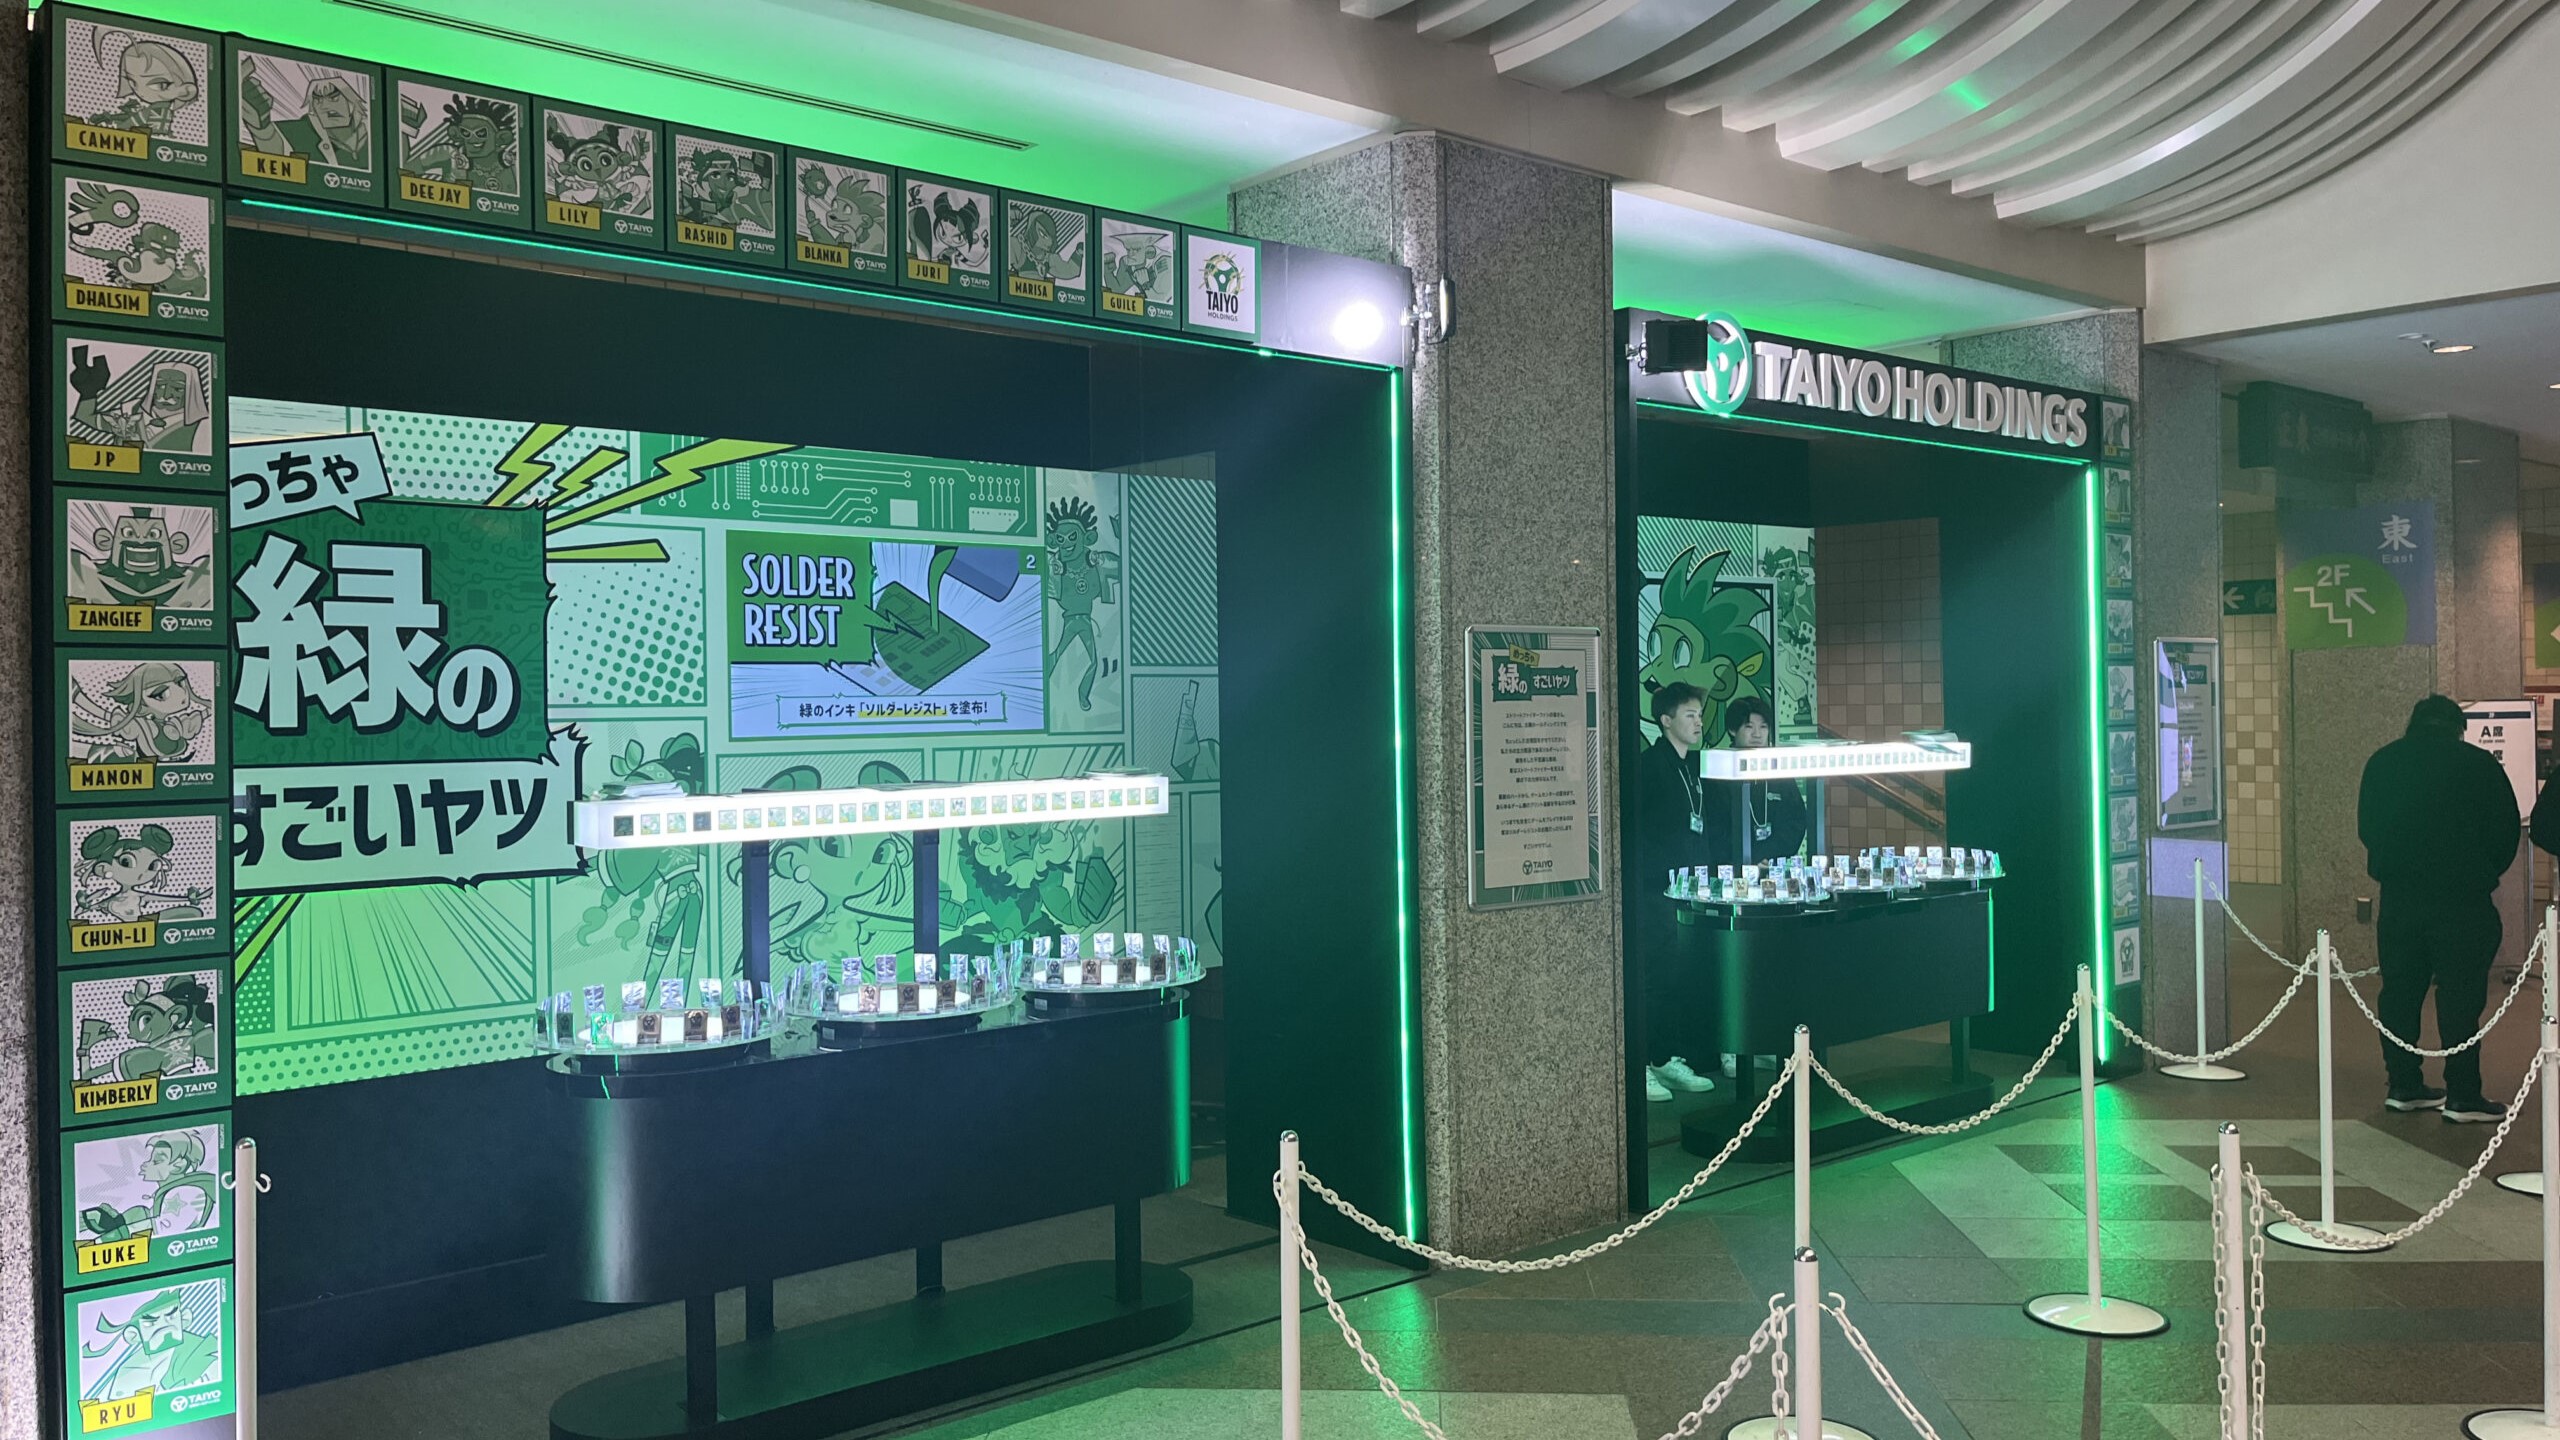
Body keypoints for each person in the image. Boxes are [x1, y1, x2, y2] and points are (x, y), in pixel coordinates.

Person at [2357, 694, 2519, 1120]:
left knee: (2400, 993)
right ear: (2458, 727)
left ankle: (2404, 1085)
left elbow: (2368, 828)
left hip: (2400, 898)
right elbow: (2505, 831)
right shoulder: (2479, 765)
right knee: (2461, 997)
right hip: (2462, 900)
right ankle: (2463, 1093)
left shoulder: (2382, 763)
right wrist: (2482, 871)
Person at [1633, 682, 1716, 1104]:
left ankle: (1667, 1056)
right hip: (1655, 888)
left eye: (1699, 714)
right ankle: (1646, 1061)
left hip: (1689, 885)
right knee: (1656, 974)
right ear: (1666, 720)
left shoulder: (1694, 767)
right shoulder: (1649, 767)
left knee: (1678, 973)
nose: (1698, 722)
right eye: (1689, 715)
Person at [1706, 696, 1809, 866]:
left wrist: (1768, 856)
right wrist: (1748, 860)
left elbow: (1796, 821)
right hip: (1731, 866)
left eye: (1763, 727)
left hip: (1775, 865)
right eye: (1749, 727)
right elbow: (1715, 829)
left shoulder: (1779, 770)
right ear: (1732, 730)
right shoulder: (1718, 772)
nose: (1757, 734)